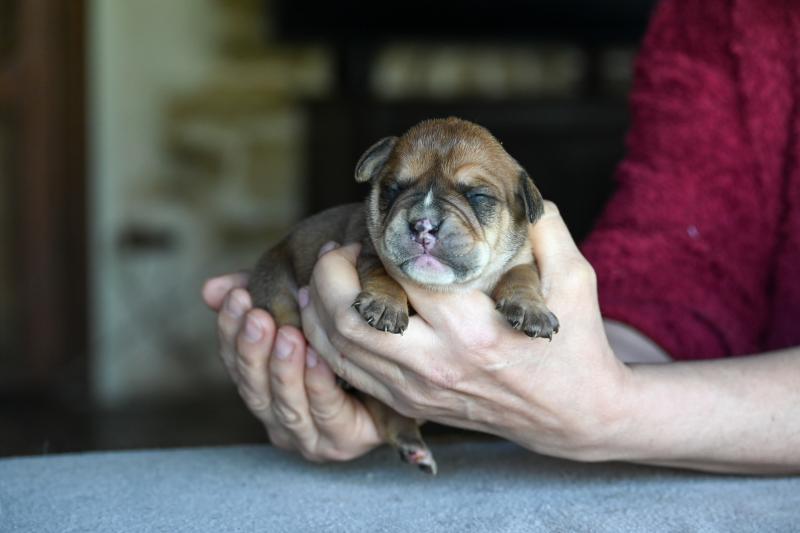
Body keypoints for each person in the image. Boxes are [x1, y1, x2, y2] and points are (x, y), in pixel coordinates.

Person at [202, 0, 800, 474]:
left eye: (479, 198)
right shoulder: (715, 16)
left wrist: (612, 410)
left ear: (526, 209)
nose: (426, 221)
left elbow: (587, 378)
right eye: (400, 194)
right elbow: (677, 277)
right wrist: (556, 376)